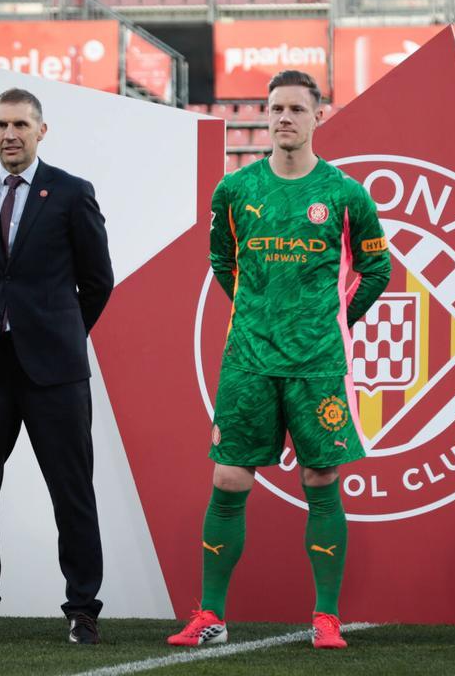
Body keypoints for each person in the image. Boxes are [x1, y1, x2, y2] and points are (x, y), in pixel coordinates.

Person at [167, 70, 391, 650]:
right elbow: (223, 264)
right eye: (275, 109)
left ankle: (326, 617)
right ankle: (210, 614)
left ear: (318, 116)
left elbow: (378, 269)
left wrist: (334, 319)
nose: (284, 117)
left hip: (317, 362)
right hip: (248, 360)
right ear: (265, 117)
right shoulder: (235, 191)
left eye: (296, 108)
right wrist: (259, 313)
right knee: (228, 476)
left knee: (321, 477)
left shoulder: (345, 193)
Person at [0, 87, 115, 645]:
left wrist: (58, 329)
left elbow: (98, 281)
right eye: (0, 125)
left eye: (20, 124)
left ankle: (83, 611)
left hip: (55, 372)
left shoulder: (70, 192)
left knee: (72, 491)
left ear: (43, 130)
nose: (9, 134)